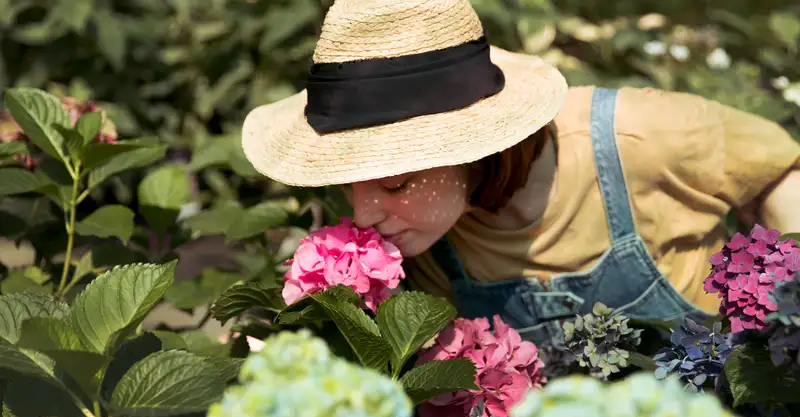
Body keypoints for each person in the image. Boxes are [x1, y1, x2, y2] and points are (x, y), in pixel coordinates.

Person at [240, 0, 800, 344]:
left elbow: (783, 169)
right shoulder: (422, 243)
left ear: (472, 149)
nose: (363, 214)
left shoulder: (646, 136)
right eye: (349, 181)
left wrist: (782, 310)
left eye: (395, 183)